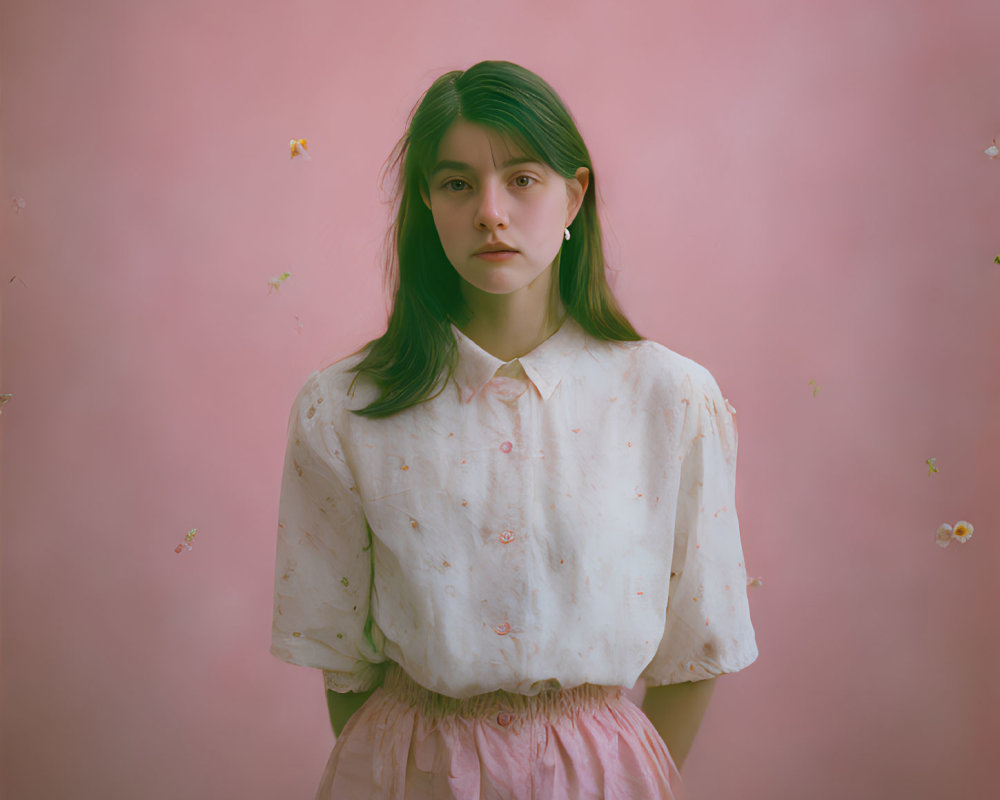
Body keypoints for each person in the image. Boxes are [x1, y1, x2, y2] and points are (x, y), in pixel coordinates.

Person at [271, 60, 757, 799]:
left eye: (522, 179)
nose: (490, 212)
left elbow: (698, 647)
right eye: (458, 184)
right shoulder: (342, 408)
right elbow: (342, 659)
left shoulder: (673, 398)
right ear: (428, 204)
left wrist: (611, 772)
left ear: (574, 195)